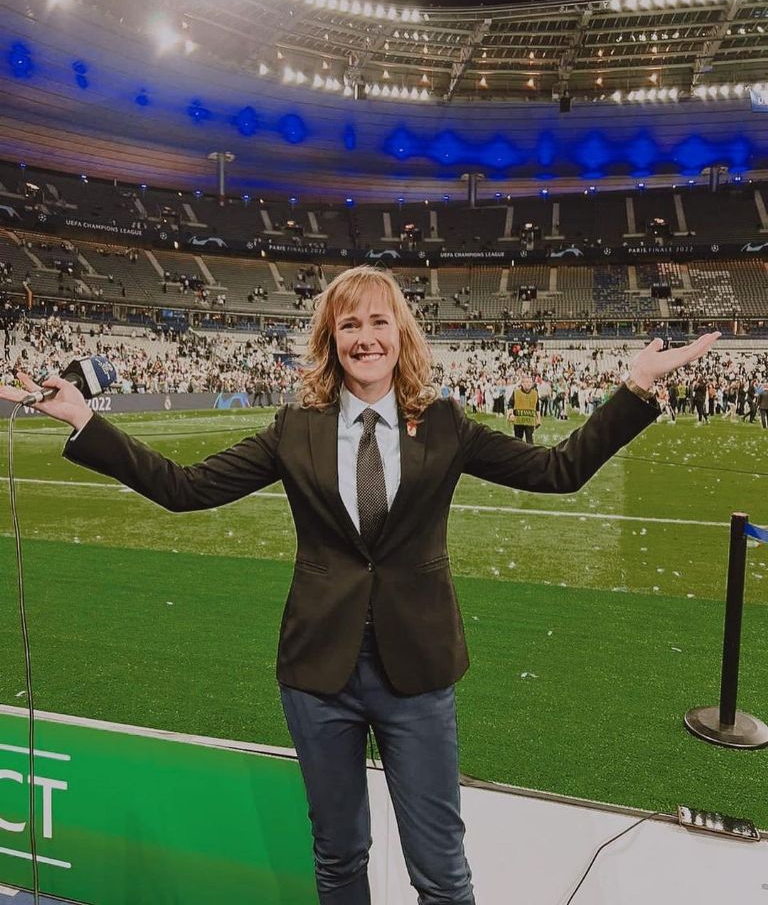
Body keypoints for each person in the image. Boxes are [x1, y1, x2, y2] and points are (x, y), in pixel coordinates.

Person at [0, 267, 720, 905]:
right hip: (319, 677)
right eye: (350, 325)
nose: (365, 337)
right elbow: (185, 489)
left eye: (379, 322)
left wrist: (635, 389)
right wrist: (84, 418)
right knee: (339, 856)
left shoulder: (446, 424)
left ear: (401, 335)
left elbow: (558, 471)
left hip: (418, 675)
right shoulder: (294, 428)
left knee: (442, 872)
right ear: (331, 340)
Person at [506, 373, 540, 444]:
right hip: (518, 421)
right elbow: (510, 404)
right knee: (518, 441)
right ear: (522, 383)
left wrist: (538, 419)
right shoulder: (516, 393)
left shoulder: (535, 394)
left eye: (530, 382)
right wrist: (510, 414)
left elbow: (537, 407)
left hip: (530, 421)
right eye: (526, 382)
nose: (528, 384)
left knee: (529, 441)